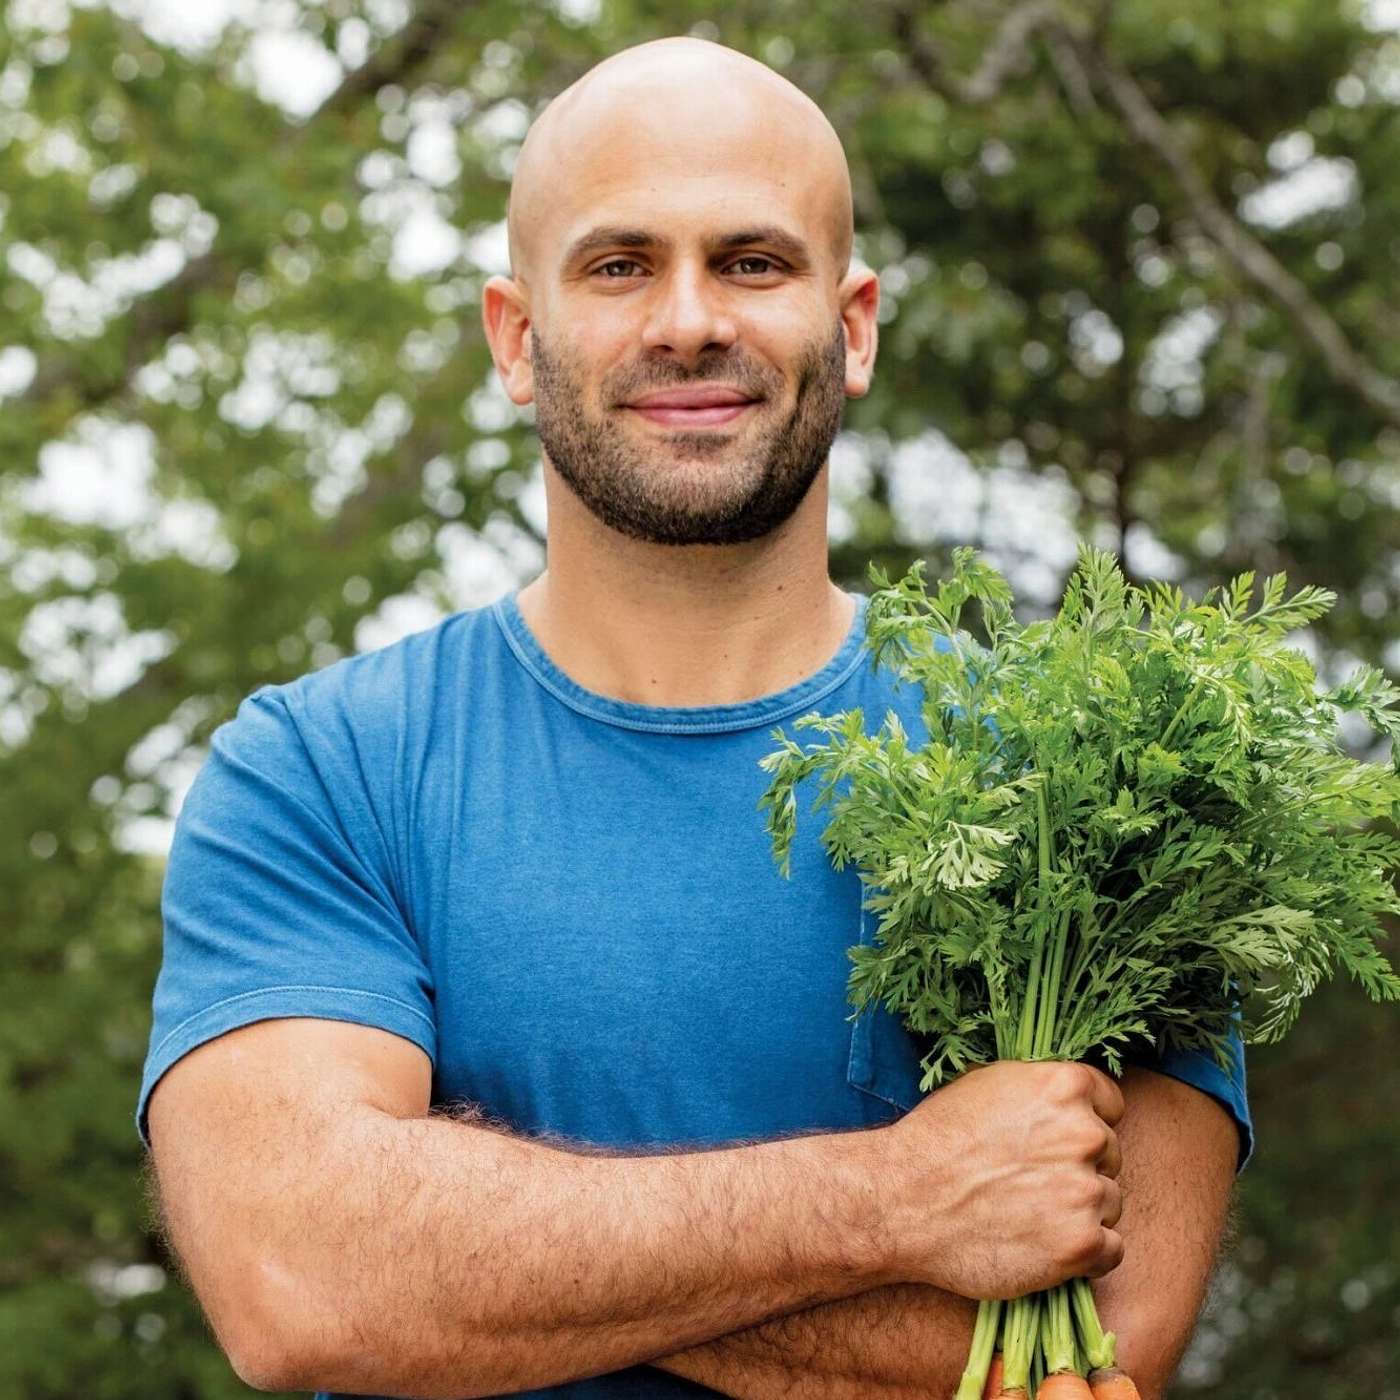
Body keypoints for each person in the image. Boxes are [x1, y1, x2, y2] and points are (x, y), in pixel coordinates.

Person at [137, 35, 1250, 1400]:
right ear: (515, 336)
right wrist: (898, 1201)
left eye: (752, 262)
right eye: (619, 266)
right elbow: (303, 1277)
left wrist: (462, 1236)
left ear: (851, 327)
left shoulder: (1090, 771)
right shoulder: (319, 774)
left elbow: (1103, 1351)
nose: (687, 322)